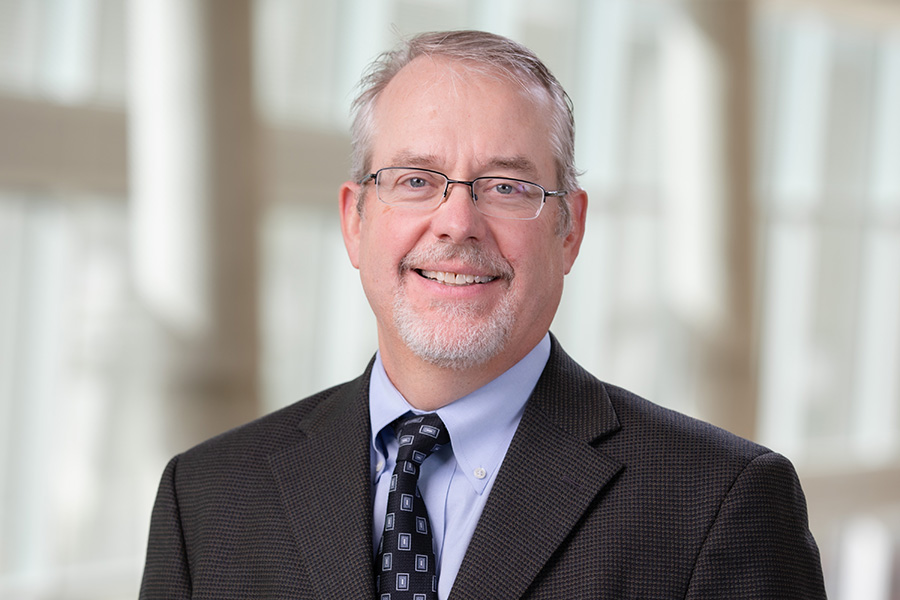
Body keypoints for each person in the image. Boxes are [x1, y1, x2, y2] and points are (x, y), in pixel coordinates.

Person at [139, 30, 826, 599]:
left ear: (570, 230)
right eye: (415, 181)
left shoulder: (718, 504)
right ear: (354, 220)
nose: (457, 222)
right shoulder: (206, 499)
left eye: (506, 186)